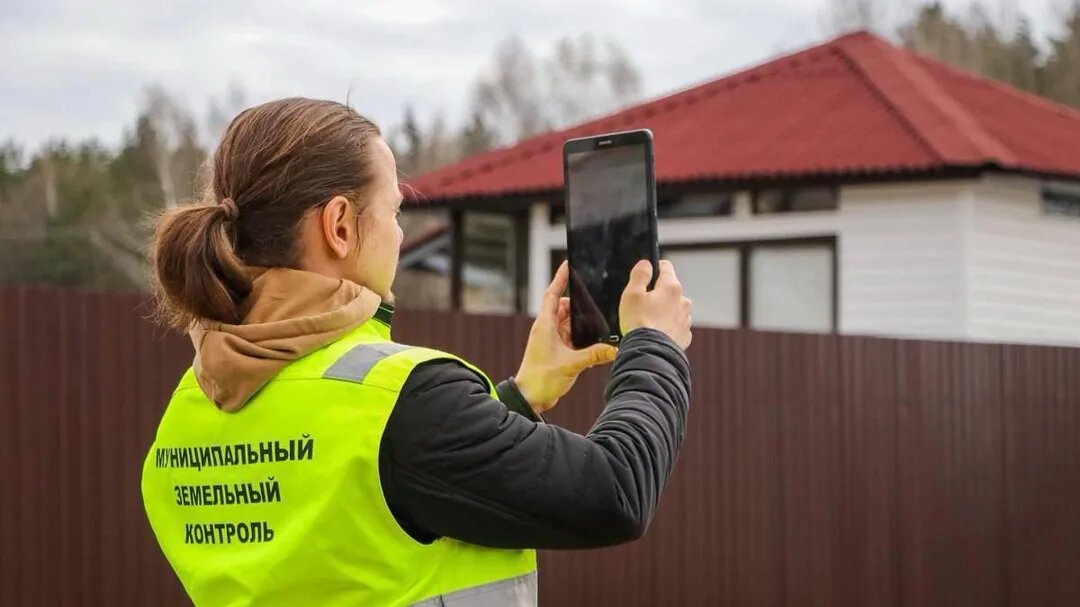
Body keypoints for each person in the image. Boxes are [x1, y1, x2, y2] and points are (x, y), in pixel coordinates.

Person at [140, 97, 693, 607]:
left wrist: (521, 396)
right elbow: (614, 490)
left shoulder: (186, 416)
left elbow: (371, 515)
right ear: (338, 226)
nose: (400, 236)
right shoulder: (403, 401)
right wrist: (654, 345)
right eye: (395, 211)